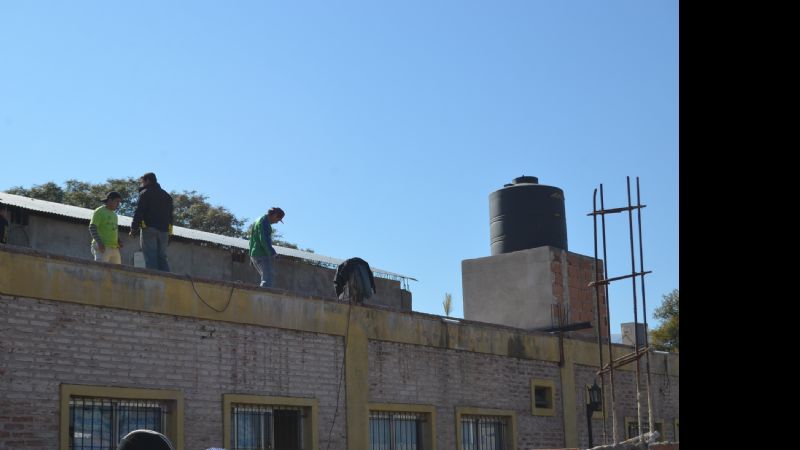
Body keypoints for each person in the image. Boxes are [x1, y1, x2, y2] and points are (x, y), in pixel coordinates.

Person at [129, 172, 174, 272]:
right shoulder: (167, 196)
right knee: (162, 257)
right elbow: (170, 217)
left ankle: (155, 280)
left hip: (149, 229)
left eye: (142, 182)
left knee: (150, 255)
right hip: (164, 231)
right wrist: (170, 234)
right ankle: (167, 279)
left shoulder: (145, 193)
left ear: (148, 180)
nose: (142, 184)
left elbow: (139, 211)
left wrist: (134, 227)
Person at [249, 207, 285, 288]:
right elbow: (264, 240)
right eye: (278, 219)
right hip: (261, 254)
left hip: (254, 254)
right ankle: (263, 298)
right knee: (267, 279)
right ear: (275, 215)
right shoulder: (264, 222)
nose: (277, 222)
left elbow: (252, 240)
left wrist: (250, 255)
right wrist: (273, 253)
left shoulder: (258, 220)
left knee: (265, 276)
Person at [88, 191, 123, 264]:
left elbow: (113, 230)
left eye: (119, 202)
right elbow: (92, 227)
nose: (118, 204)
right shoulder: (99, 211)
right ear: (110, 200)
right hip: (103, 247)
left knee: (117, 272)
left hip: (114, 248)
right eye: (117, 201)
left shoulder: (114, 215)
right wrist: (99, 243)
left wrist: (118, 241)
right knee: (101, 271)